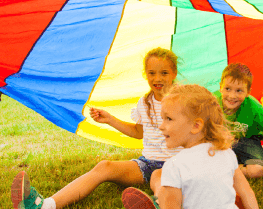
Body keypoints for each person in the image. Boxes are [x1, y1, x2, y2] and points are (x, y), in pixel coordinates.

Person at [11, 47, 183, 209]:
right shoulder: (144, 103)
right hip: (147, 164)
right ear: (146, 75)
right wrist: (110, 119)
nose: (157, 78)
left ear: (174, 73)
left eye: (164, 73)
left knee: (158, 177)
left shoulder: (185, 100)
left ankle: (162, 204)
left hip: (176, 164)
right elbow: (139, 133)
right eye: (152, 73)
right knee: (104, 166)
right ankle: (44, 205)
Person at [120, 84, 259, 209]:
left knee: (162, 183)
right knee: (158, 175)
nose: (161, 126)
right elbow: (247, 193)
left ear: (196, 126)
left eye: (168, 119)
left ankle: (158, 203)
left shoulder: (174, 166)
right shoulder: (227, 153)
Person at [214, 63, 263, 179]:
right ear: (220, 86)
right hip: (219, 141)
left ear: (248, 92)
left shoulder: (254, 107)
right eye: (227, 89)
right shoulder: (211, 101)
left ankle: (229, 169)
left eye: (239, 91)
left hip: (247, 140)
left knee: (258, 170)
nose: (232, 96)